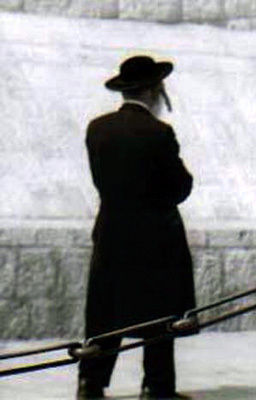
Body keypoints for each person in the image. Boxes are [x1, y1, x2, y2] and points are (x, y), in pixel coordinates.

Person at [78, 55, 196, 399]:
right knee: (160, 314)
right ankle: (156, 387)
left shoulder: (97, 129)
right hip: (155, 237)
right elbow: (179, 187)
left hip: (111, 232)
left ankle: (90, 383)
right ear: (152, 91)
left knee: (105, 312)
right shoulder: (159, 133)